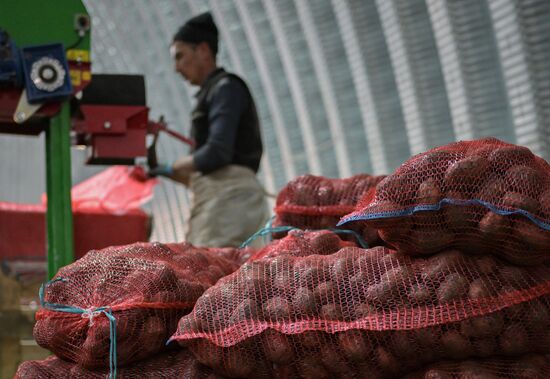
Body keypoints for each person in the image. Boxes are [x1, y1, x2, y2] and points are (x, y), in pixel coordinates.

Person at [150, 12, 269, 248]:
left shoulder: (226, 88)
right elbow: (205, 170)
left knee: (216, 274)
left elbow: (217, 153)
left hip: (229, 204)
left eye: (180, 56)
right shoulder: (213, 92)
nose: (176, 68)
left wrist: (172, 165)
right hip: (222, 202)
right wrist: (161, 171)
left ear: (203, 50)